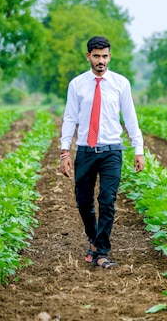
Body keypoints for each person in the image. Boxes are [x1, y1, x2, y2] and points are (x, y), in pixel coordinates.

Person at [59, 36, 145, 269]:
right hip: (86, 151)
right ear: (88, 56)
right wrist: (65, 152)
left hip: (111, 152)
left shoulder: (120, 83)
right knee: (83, 201)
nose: (101, 61)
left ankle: (102, 252)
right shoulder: (77, 84)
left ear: (110, 56)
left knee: (107, 201)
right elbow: (69, 118)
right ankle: (94, 240)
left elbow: (130, 118)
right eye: (96, 56)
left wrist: (139, 150)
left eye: (105, 56)